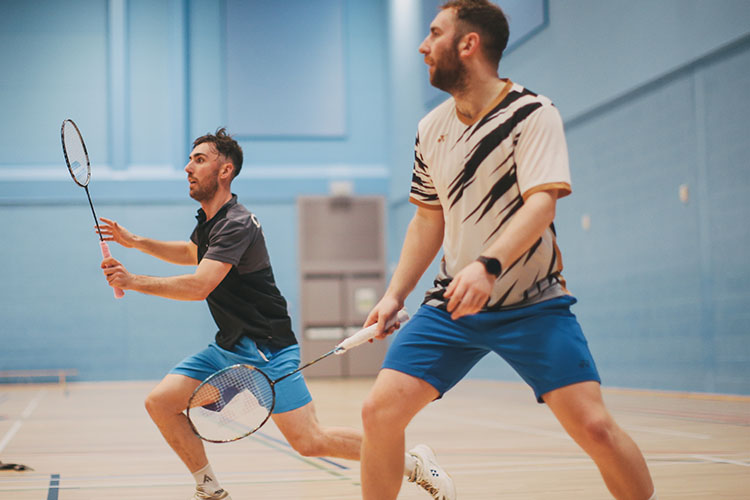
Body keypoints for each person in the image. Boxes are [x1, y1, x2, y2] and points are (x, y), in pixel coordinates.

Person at [359, 1, 657, 499]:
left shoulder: (532, 114)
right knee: (378, 412)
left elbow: (542, 204)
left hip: (532, 304)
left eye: (435, 33)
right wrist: (395, 294)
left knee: (595, 428)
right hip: (453, 305)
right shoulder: (431, 129)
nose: (423, 46)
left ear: (468, 44)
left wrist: (488, 266)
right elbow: (428, 218)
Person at [99, 128, 454, 500]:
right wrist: (136, 242)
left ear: (225, 170)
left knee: (310, 440)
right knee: (160, 402)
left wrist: (133, 280)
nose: (188, 167)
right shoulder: (210, 222)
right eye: (190, 160)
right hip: (228, 347)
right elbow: (191, 253)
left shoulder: (236, 223)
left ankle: (413, 463)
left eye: (199, 160)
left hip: (266, 348)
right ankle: (209, 488)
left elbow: (199, 285)